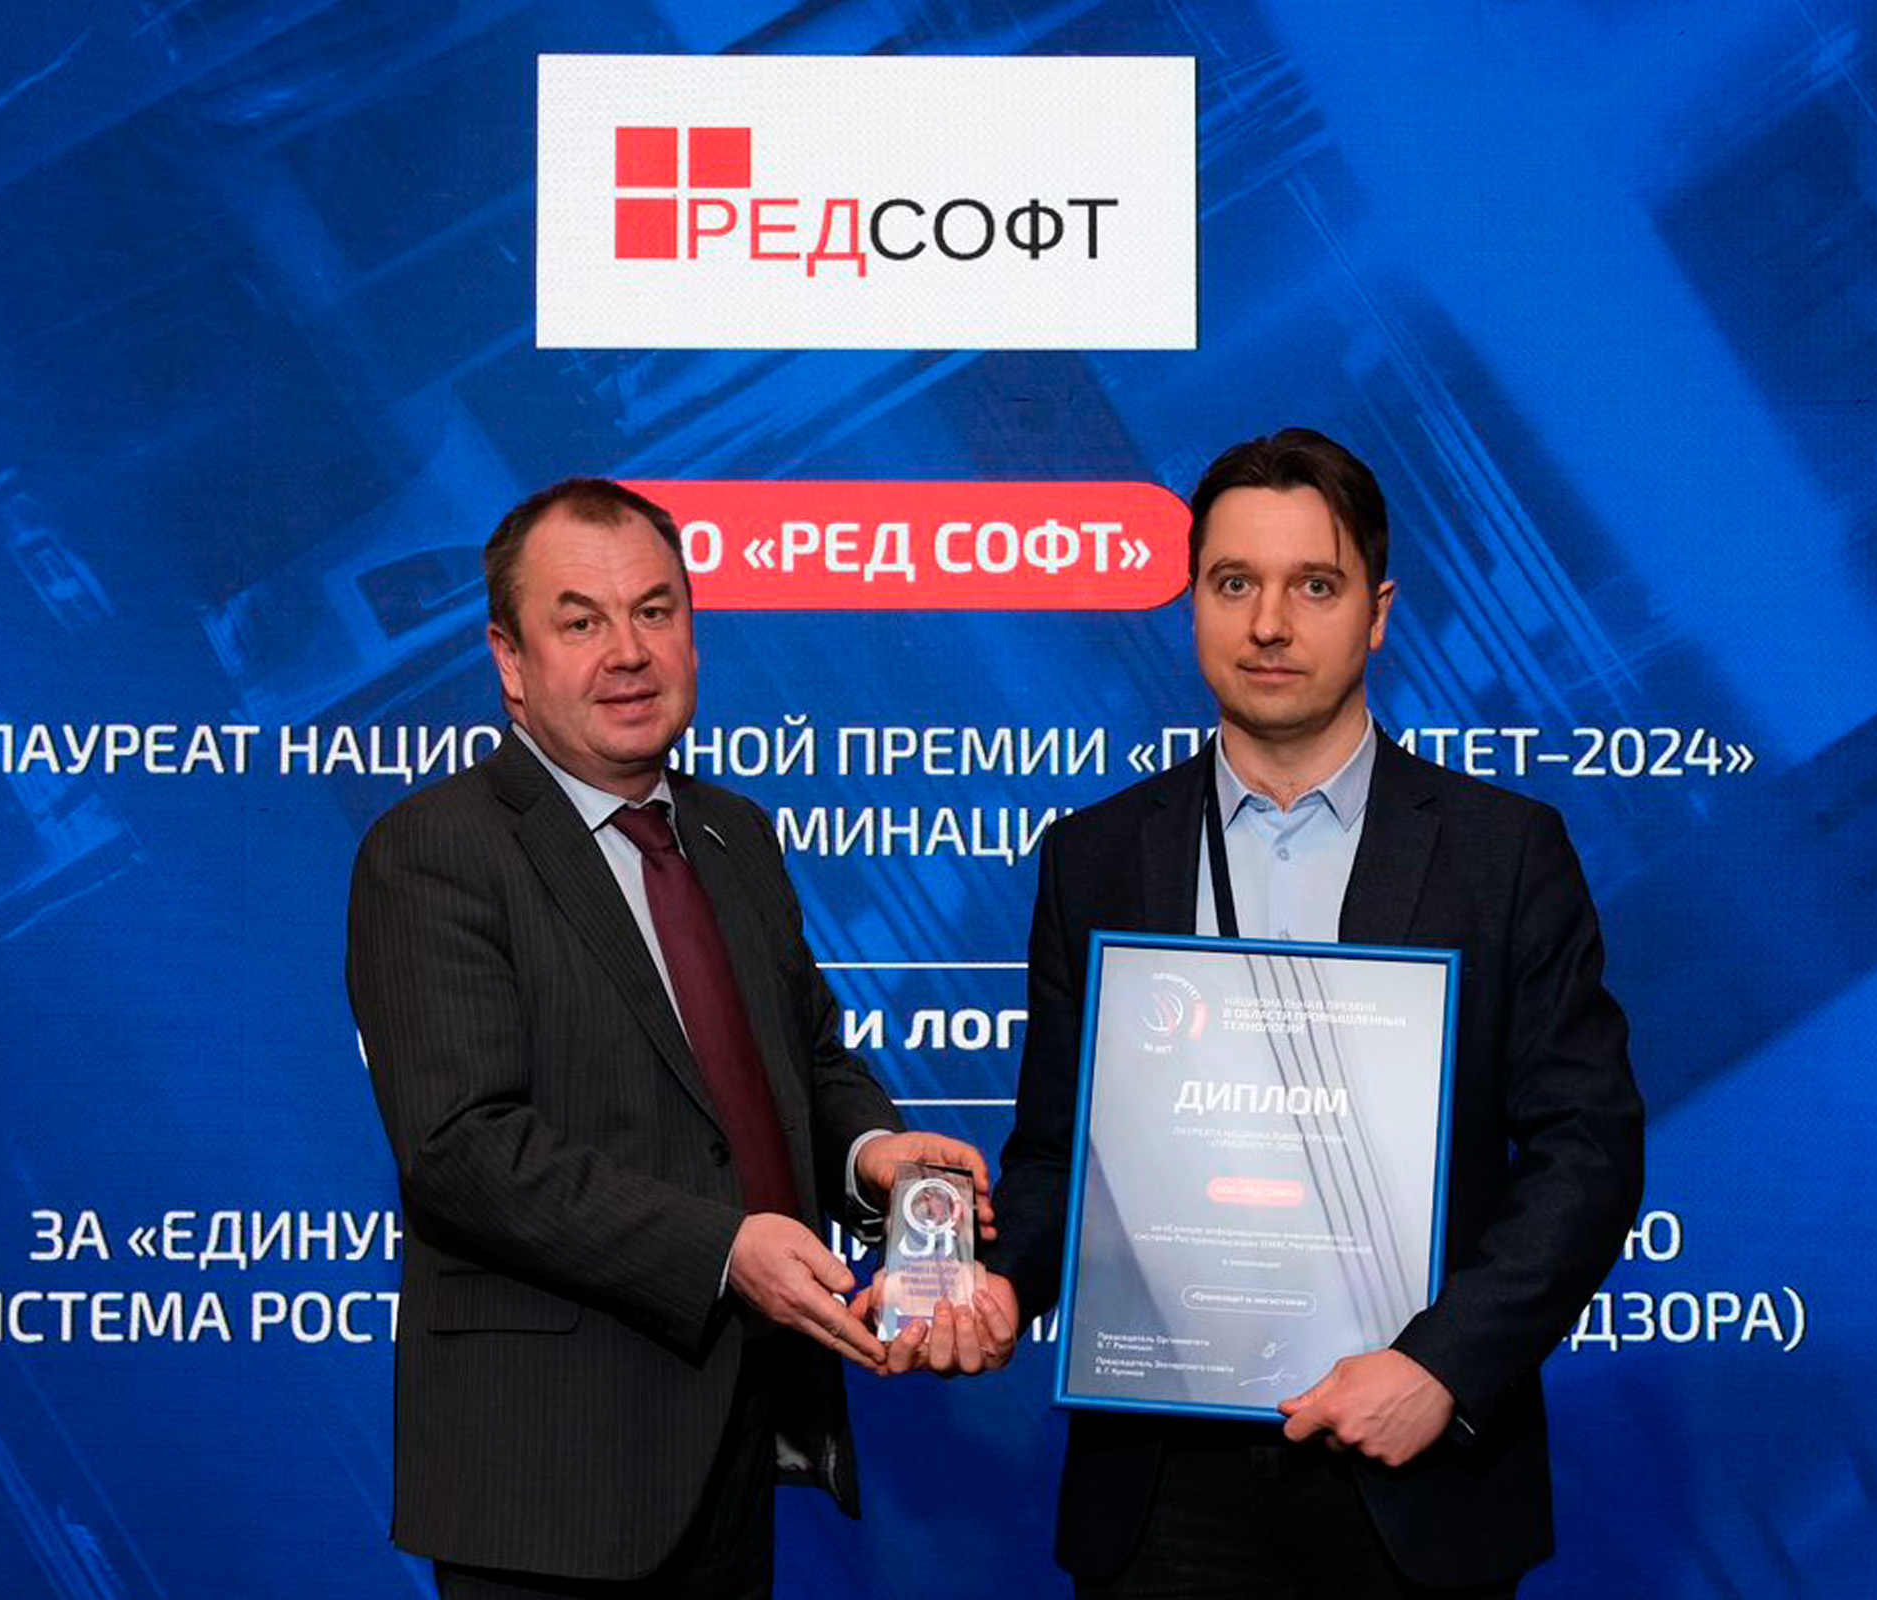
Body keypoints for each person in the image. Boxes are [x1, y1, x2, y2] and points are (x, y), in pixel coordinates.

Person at [901, 429, 1643, 1597]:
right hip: (1161, 1488)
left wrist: (1439, 1369)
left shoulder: (1500, 854)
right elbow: (1054, 1155)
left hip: (1407, 1472)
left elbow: (1585, 1150)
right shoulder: (1097, 857)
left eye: (1314, 586)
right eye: (1233, 583)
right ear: (1190, 601)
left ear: (1377, 613)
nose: (1267, 624)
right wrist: (1004, 1282)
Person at [347, 477, 993, 1599]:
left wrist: (870, 1155)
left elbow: (807, 1060)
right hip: (554, 1481)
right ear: (509, 660)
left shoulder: (733, 835)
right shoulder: (434, 851)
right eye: (580, 622)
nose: (628, 652)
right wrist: (725, 1249)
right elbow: (463, 1150)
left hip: (737, 1446)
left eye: (654, 610)